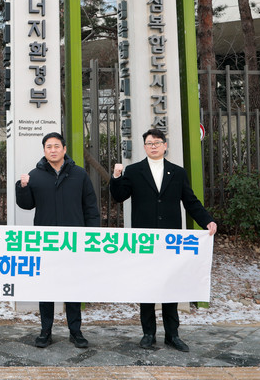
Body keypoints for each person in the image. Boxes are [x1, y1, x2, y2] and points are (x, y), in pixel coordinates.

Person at [109, 128, 218, 353]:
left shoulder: (177, 172)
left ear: (165, 146)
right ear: (144, 147)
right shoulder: (134, 170)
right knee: (147, 286)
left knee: (171, 286)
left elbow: (190, 201)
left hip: (170, 240)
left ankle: (172, 335)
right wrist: (116, 177)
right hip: (145, 240)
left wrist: (206, 220)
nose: (154, 146)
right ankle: (148, 333)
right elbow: (119, 196)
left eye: (157, 142)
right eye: (150, 143)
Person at [15, 132, 99, 349]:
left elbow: (90, 207)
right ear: (44, 150)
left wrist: (92, 236)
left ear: (64, 149)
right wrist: (22, 188)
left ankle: (75, 331)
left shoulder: (79, 174)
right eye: (48, 147)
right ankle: (45, 331)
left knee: (73, 287)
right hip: (46, 242)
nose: (53, 150)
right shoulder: (35, 175)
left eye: (56, 146)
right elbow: (26, 205)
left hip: (74, 241)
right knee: (46, 287)